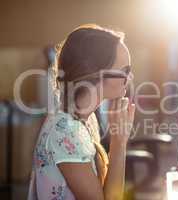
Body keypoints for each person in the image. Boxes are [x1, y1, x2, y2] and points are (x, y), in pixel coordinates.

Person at [27, 23, 135, 200]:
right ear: (96, 73)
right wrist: (119, 142)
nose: (130, 77)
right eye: (125, 70)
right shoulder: (66, 133)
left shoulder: (85, 119)